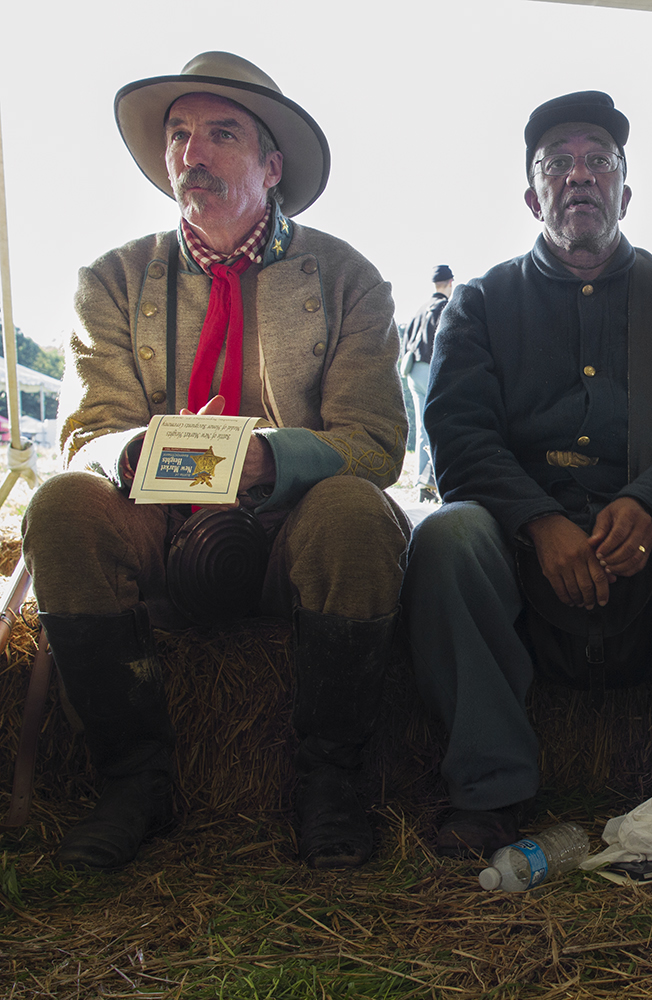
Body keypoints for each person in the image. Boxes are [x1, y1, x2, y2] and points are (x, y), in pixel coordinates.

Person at [21, 52, 410, 870]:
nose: (192, 154)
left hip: (283, 531)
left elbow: (373, 442)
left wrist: (270, 460)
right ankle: (134, 781)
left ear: (272, 167)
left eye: (221, 135)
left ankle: (330, 781)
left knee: (354, 512)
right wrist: (140, 452)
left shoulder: (348, 279)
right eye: (179, 135)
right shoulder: (113, 279)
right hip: (156, 528)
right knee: (59, 506)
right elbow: (88, 431)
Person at [402, 91, 652, 856]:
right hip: (522, 565)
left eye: (598, 162)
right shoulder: (478, 304)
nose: (580, 176)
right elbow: (457, 434)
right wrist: (538, 522)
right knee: (447, 539)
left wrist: (651, 504)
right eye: (559, 164)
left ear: (625, 189)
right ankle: (489, 789)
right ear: (531, 192)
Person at [401, 265, 454, 503]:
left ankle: (422, 483)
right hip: (431, 369)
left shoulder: (420, 308)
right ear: (450, 282)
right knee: (436, 424)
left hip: (412, 371)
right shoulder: (443, 306)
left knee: (422, 428)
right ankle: (432, 482)